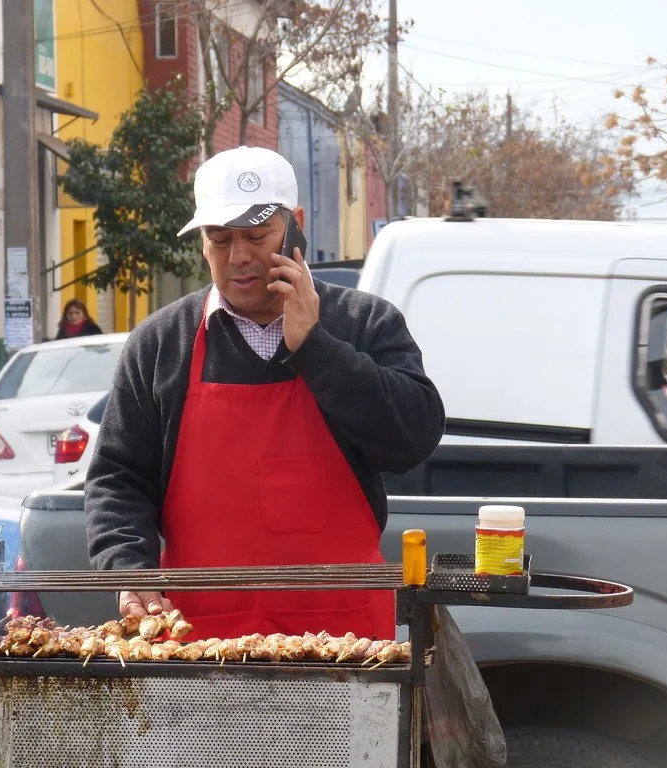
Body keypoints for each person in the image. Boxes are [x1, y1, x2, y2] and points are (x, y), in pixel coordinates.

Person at [84, 146, 445, 641]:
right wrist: (126, 566)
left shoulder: (365, 323)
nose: (239, 256)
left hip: (341, 641)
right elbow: (118, 477)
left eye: (257, 235)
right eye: (220, 238)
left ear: (295, 223)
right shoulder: (161, 342)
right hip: (197, 640)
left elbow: (413, 439)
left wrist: (316, 347)